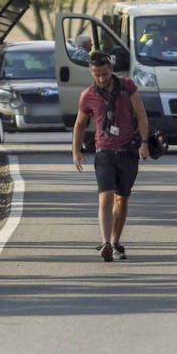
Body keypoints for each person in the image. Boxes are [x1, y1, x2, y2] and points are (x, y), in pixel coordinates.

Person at [72, 51, 150, 262]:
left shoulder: (127, 87)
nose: (102, 79)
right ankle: (105, 242)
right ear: (91, 72)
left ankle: (115, 242)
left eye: (105, 74)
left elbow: (142, 116)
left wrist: (144, 143)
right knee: (105, 196)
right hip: (103, 152)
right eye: (97, 75)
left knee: (122, 197)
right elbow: (79, 125)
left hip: (127, 151)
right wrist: (76, 151)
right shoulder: (87, 95)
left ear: (111, 69)